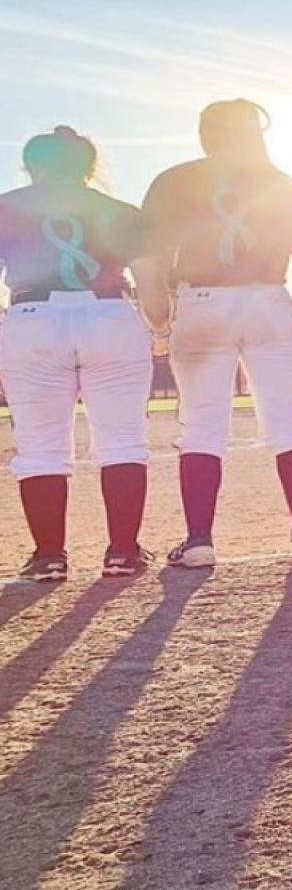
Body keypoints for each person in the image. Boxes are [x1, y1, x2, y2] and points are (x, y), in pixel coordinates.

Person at [142, 99, 292, 568]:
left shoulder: (175, 179)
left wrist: (160, 316)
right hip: (269, 298)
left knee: (202, 424)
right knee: (287, 421)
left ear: (206, 134)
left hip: (203, 300)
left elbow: (154, 252)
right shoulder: (281, 181)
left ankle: (199, 540)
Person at [1, 127, 163, 580]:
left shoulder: (6, 206)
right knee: (123, 439)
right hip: (110, 315)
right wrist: (162, 325)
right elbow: (152, 287)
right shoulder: (119, 210)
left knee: (39, 445)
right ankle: (123, 551)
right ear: (88, 167)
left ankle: (49, 554)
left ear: (33, 166)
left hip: (32, 315)